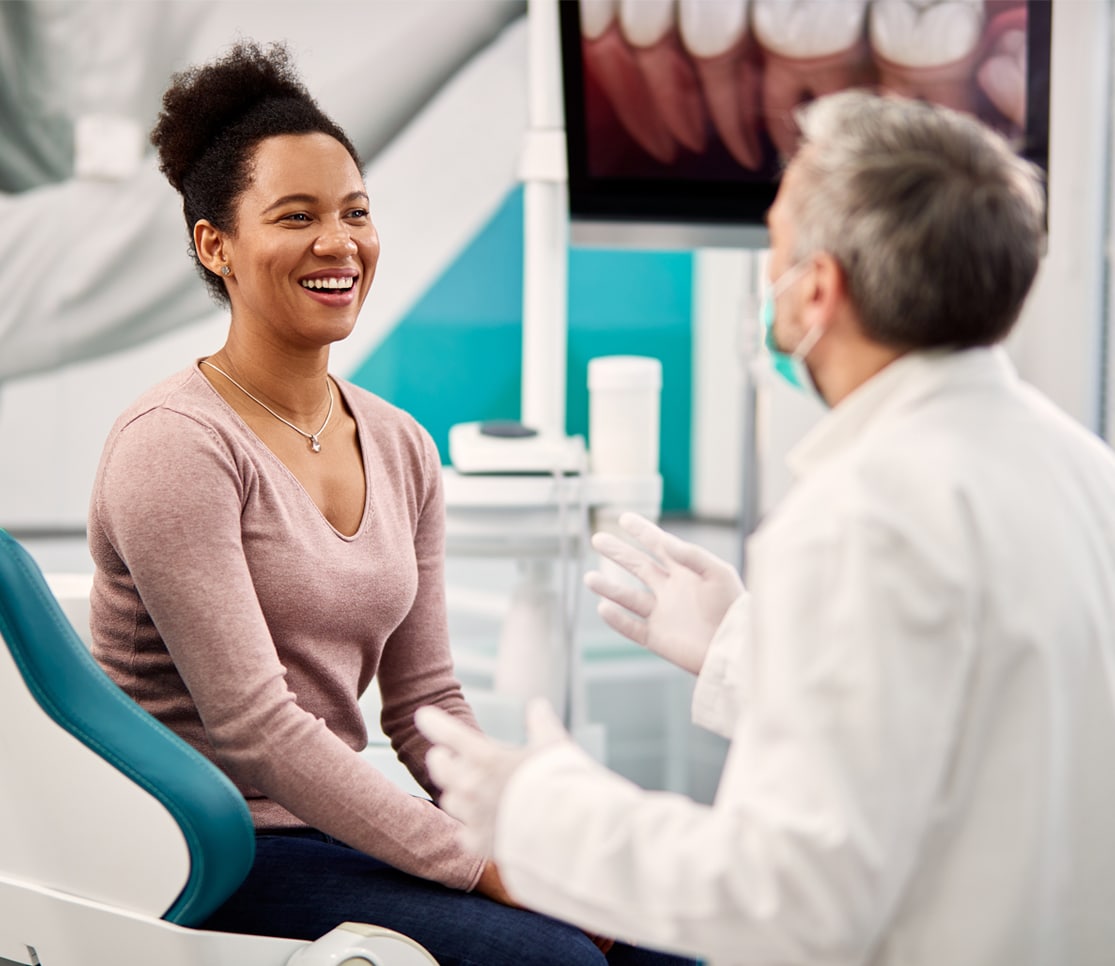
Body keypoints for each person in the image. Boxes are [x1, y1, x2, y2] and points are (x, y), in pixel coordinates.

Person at [416, 89, 1115, 965]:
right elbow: (971, 738)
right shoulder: (1082, 470)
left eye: (776, 247)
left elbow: (786, 894)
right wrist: (746, 651)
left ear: (817, 289)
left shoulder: (862, 512)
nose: (766, 280)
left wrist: (541, 811)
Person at [87, 40, 695, 966]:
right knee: (556, 961)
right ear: (217, 245)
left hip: (334, 828)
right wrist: (481, 864)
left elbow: (425, 702)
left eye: (355, 213)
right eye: (296, 216)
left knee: (666, 939)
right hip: (200, 849)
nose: (339, 243)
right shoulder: (174, 445)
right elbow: (257, 729)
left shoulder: (401, 442)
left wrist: (521, 829)